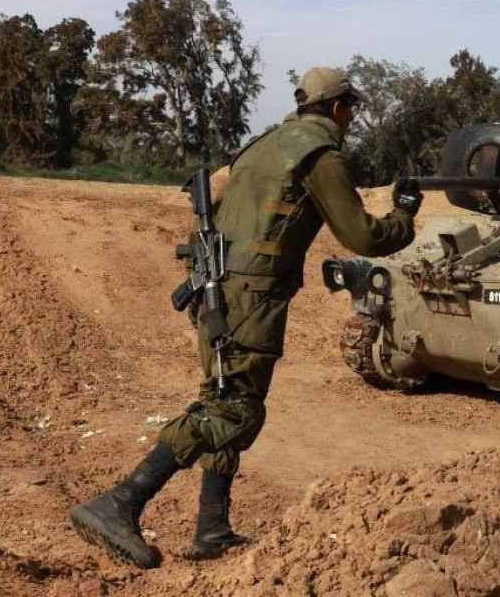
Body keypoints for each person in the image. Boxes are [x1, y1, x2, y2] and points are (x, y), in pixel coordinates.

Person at [70, 67, 421, 569]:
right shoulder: (320, 153)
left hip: (218, 288)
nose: (352, 118)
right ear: (339, 107)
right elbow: (363, 237)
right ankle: (120, 502)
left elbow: (213, 199)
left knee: (222, 395)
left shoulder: (262, 144)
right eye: (353, 109)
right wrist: (404, 216)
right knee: (235, 409)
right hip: (252, 295)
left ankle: (212, 528)